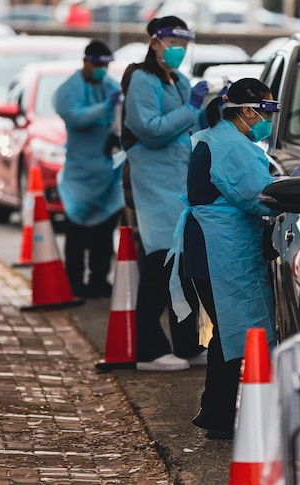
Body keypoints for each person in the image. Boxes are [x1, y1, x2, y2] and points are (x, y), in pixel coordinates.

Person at [165, 77, 280, 440]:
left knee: (228, 334)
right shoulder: (234, 147)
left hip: (210, 249)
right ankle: (219, 415)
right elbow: (260, 196)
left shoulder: (217, 138)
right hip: (222, 251)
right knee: (234, 333)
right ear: (247, 111)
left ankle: (217, 412)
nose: (269, 119)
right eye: (268, 110)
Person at [123, 16, 209, 371]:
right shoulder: (142, 81)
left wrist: (212, 108)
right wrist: (190, 109)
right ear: (155, 42)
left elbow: (192, 126)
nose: (179, 51)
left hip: (178, 185)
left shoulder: (179, 80)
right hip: (155, 183)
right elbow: (151, 129)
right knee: (160, 264)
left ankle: (186, 344)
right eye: (173, 43)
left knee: (184, 267)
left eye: (183, 44)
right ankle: (149, 349)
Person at [53, 39, 124, 299]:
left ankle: (98, 278)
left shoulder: (111, 87)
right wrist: (105, 108)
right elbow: (75, 116)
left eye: (106, 65)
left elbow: (120, 119)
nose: (101, 70)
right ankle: (73, 280)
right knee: (77, 231)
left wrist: (115, 134)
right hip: (80, 174)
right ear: (85, 61)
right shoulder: (67, 90)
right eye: (97, 64)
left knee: (105, 232)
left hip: (107, 173)